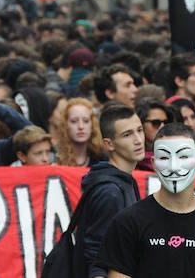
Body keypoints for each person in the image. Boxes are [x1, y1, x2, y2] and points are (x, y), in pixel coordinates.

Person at [95, 123, 195, 278]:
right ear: (153, 163)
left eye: (183, 156)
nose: (173, 166)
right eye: (164, 157)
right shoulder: (128, 222)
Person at [74, 103, 144, 278]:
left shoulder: (123, 181)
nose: (138, 140)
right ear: (109, 144)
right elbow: (96, 255)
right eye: (127, 135)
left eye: (140, 130)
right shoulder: (110, 192)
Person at [56, 98, 102, 166]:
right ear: (65, 125)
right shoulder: (55, 160)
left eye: (86, 121)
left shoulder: (101, 161)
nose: (81, 126)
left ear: (92, 125)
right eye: (74, 121)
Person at [135, 97, 173, 171]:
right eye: (156, 123)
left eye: (166, 122)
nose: (162, 126)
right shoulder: (132, 159)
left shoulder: (176, 152)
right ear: (141, 124)